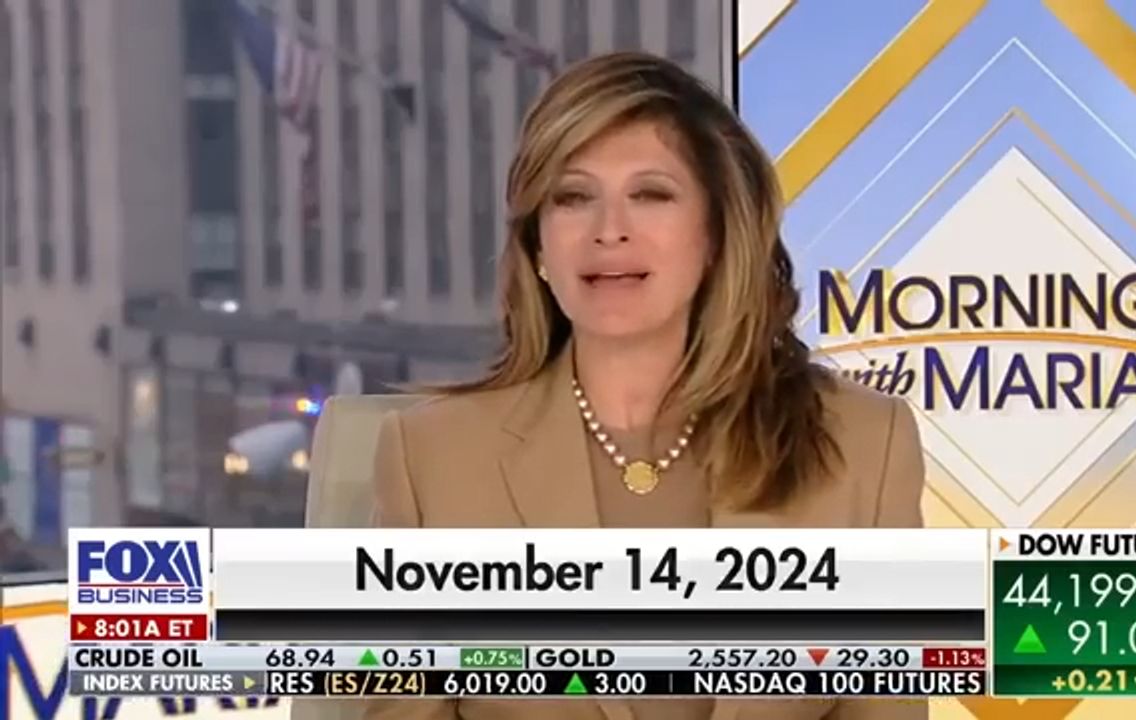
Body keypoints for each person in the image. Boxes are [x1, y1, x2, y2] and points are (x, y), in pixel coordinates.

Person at [366, 51, 927, 720]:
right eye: (574, 198)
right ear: (538, 246)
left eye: (651, 194)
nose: (610, 231)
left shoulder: (864, 444)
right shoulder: (432, 459)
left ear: (714, 234)